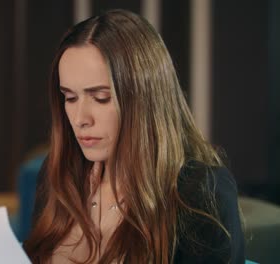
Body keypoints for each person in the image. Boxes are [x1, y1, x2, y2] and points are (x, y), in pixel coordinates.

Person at [23, 9, 245, 264]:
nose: (80, 118)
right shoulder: (58, 176)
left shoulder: (202, 193)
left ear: (144, 100)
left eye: (100, 98)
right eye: (70, 98)